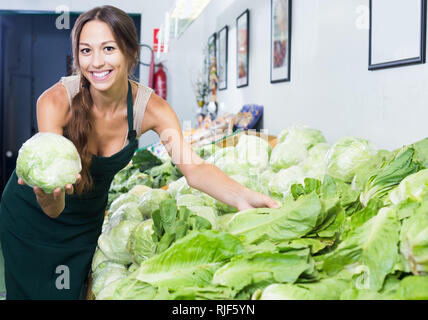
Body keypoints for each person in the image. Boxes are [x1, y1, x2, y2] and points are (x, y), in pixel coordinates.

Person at [0, 5, 278, 300]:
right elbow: (53, 205)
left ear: (131, 53)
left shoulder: (152, 110)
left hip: (84, 224)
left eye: (108, 49)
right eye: (85, 51)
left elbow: (193, 168)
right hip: (33, 214)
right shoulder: (54, 103)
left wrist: (242, 197)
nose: (96, 62)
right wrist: (46, 197)